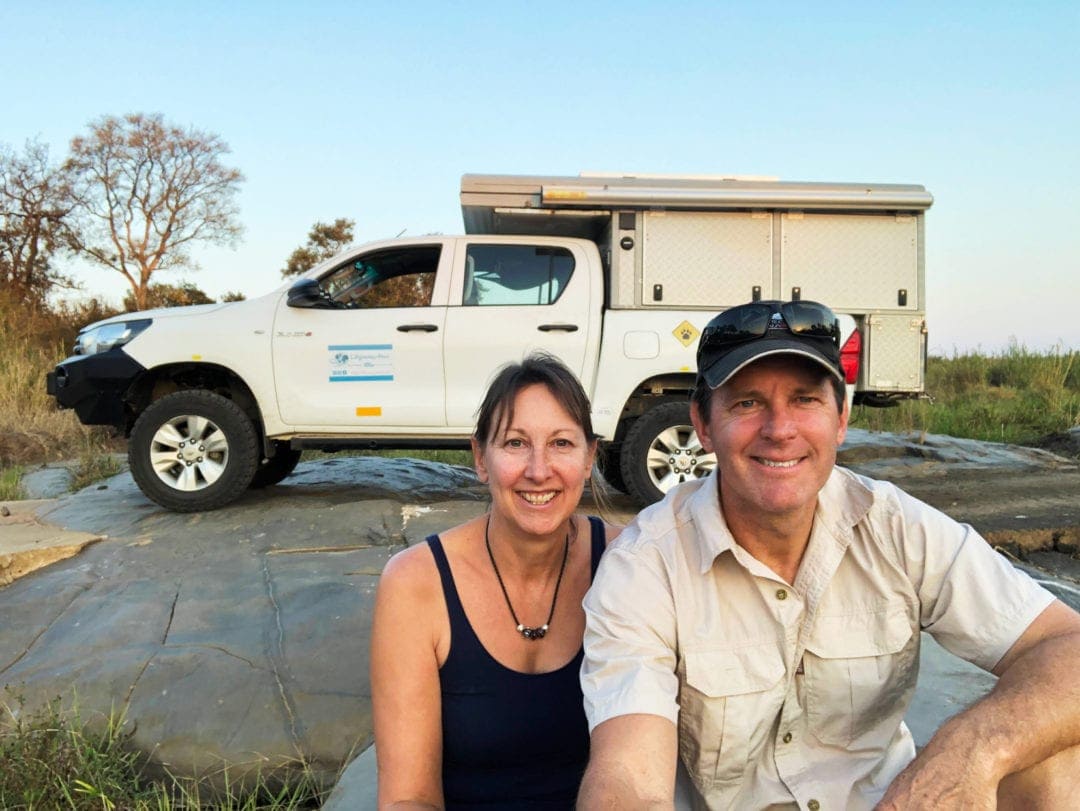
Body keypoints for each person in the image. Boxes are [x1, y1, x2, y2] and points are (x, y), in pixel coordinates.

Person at [577, 300, 1080, 809]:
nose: (780, 429)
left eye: (805, 400)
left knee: (1054, 750)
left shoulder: (894, 526)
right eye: (747, 403)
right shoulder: (647, 564)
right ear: (703, 426)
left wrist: (971, 751)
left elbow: (1067, 644)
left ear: (840, 418)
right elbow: (628, 779)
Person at [371, 353, 621, 809]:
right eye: (515, 443)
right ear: (480, 458)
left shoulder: (628, 564)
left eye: (562, 443)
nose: (539, 470)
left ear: (589, 459)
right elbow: (409, 798)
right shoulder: (416, 583)